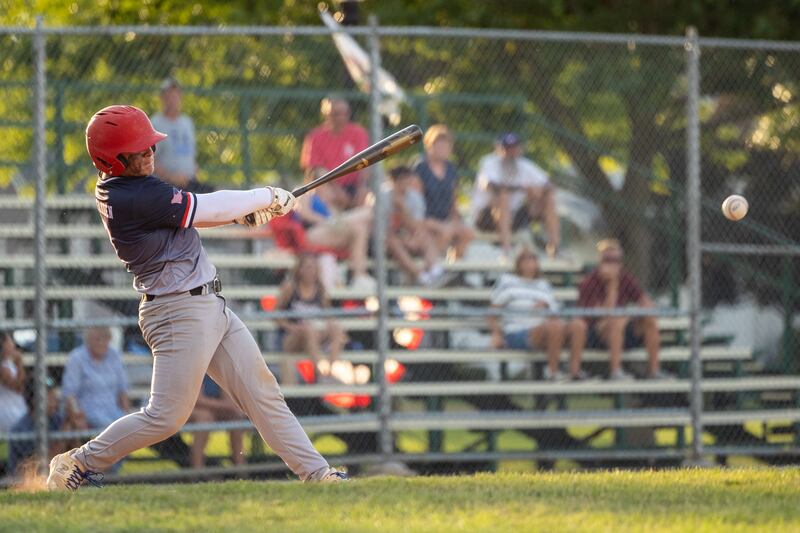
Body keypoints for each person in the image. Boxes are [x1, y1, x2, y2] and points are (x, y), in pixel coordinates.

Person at [46, 104, 346, 492]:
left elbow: (195, 216)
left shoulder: (132, 187)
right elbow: (203, 208)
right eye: (138, 151)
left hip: (206, 303)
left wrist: (246, 214)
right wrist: (265, 196)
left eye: (149, 146)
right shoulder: (130, 195)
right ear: (112, 160)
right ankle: (77, 463)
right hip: (177, 311)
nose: (149, 154)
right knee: (166, 417)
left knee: (262, 391)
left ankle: (318, 474)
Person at [488, 248, 588, 381]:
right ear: (518, 263)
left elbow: (555, 315)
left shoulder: (544, 285)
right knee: (554, 327)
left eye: (533, 259)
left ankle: (574, 372)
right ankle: (553, 373)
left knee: (578, 325)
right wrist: (496, 334)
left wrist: (545, 306)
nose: (529, 262)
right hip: (518, 332)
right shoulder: (507, 281)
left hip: (549, 329)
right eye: (525, 258)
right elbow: (492, 313)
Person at [577, 239, 671, 381]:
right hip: (596, 334)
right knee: (616, 321)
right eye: (607, 260)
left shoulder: (625, 278)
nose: (612, 264)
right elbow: (605, 315)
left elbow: (645, 301)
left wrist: (643, 308)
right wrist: (612, 286)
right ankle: (616, 372)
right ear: (600, 261)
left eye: (616, 260)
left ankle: (654, 371)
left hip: (621, 328)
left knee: (649, 320)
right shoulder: (589, 282)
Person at [471, 133, 560, 258]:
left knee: (549, 199)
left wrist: (537, 191)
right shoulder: (489, 162)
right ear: (498, 149)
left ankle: (554, 248)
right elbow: (488, 184)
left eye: (514, 148)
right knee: (504, 196)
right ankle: (506, 252)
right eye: (507, 148)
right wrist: (522, 188)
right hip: (487, 219)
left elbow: (550, 186)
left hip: (515, 217)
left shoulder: (525, 165)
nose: (511, 152)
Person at [294, 167, 376, 289]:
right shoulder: (306, 194)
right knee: (367, 213)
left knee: (359, 228)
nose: (326, 185)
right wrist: (325, 221)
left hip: (330, 230)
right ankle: (358, 276)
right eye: (322, 180)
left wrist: (332, 214)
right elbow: (303, 212)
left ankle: (359, 276)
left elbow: (337, 221)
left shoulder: (328, 202)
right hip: (312, 233)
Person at [275, 253, 348, 384]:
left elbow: (328, 314)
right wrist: (293, 327)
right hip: (293, 337)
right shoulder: (290, 287)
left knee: (336, 328)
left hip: (314, 334)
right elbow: (276, 314)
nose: (311, 272)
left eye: (314, 268)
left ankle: (330, 372)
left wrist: (331, 325)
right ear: (300, 269)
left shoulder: (320, 289)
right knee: (308, 329)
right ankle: (319, 373)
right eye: (308, 267)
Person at [413, 124, 474, 259]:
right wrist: (432, 223)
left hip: (445, 219)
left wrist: (456, 220)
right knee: (444, 232)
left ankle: (454, 270)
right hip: (425, 218)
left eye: (446, 145)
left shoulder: (451, 169)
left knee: (467, 233)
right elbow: (415, 202)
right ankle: (436, 268)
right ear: (429, 145)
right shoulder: (421, 167)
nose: (443, 149)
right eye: (439, 145)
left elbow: (453, 198)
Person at [300, 96, 370, 208]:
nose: (340, 118)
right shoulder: (315, 136)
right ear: (326, 115)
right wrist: (337, 190)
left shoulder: (358, 133)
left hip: (355, 185)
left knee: (369, 195)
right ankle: (333, 221)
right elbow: (314, 169)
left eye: (344, 113)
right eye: (336, 114)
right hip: (328, 185)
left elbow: (365, 162)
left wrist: (362, 187)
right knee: (321, 181)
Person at [383, 166, 444, 286]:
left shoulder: (415, 197)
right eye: (401, 180)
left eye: (407, 179)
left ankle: (435, 271)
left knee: (425, 236)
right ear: (393, 181)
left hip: (409, 236)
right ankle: (420, 275)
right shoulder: (383, 197)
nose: (405, 183)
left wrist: (403, 211)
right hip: (388, 241)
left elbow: (417, 226)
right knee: (393, 241)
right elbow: (384, 229)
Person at [61, 327, 131, 431]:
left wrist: (127, 416)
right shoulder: (77, 358)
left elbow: (123, 391)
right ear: (88, 340)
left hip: (113, 411)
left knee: (131, 427)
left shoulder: (114, 355)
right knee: (112, 428)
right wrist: (77, 416)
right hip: (89, 413)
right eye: (98, 339)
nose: (102, 342)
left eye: (106, 338)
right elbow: (70, 395)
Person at [150, 77, 212, 193]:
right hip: (166, 185)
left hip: (190, 182)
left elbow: (191, 156)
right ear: (162, 98)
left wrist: (193, 172)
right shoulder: (155, 123)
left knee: (218, 194)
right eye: (169, 95)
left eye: (176, 94)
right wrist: (172, 177)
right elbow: (149, 159)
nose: (173, 98)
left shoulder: (187, 122)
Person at [188, 375, 245, 469]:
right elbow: (198, 401)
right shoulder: (194, 367)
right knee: (204, 417)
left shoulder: (220, 369)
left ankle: (241, 470)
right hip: (188, 409)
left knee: (235, 417)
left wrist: (231, 407)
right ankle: (197, 472)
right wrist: (228, 406)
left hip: (213, 409)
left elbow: (229, 401)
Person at [0, 331, 28, 433]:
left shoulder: (8, 363)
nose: (13, 344)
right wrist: (19, 363)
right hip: (8, 412)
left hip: (16, 407)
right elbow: (18, 387)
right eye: (10, 341)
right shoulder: (2, 367)